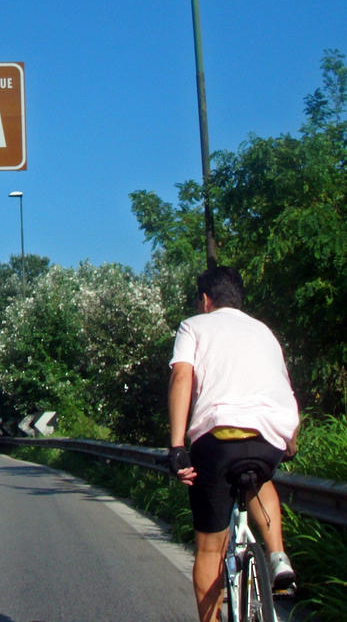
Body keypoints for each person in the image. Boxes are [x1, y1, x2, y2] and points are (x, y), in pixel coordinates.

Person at [168, 266, 299, 622]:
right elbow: (283, 386)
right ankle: (277, 557)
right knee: (260, 478)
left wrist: (177, 446)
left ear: (205, 300)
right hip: (269, 436)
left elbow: (182, 375)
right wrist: (290, 441)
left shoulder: (194, 325)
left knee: (210, 550)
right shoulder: (264, 331)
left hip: (218, 439)